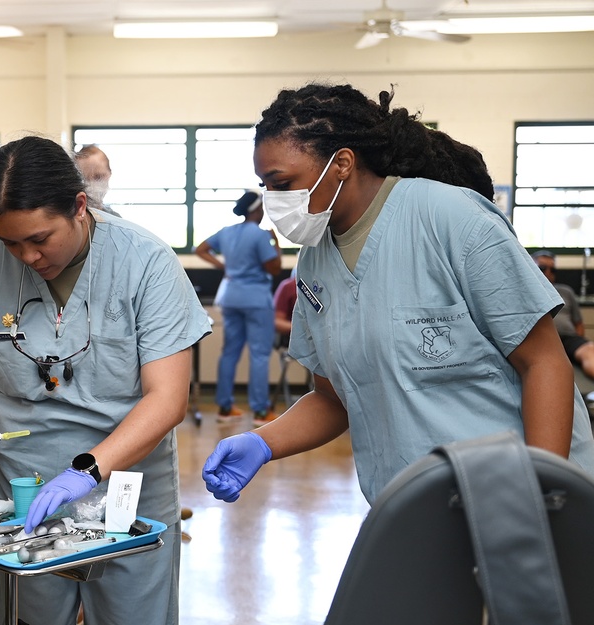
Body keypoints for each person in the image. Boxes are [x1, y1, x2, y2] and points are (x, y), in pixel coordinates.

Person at [202, 82, 594, 509]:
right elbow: (334, 399)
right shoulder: (314, 261)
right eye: (266, 187)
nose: (274, 202)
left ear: (343, 164)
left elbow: (544, 363)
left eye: (283, 184)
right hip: (416, 505)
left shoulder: (450, 218)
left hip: (515, 491)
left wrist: (540, 487)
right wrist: (262, 442)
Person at [0, 135, 211, 625]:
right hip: (25, 497)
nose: (26, 257)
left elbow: (167, 399)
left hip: (126, 493)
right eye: (10, 242)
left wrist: (87, 469)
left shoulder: (145, 261)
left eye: (39, 239)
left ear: (79, 207)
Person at [195, 191, 281, 426]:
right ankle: (261, 412)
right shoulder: (260, 235)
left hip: (230, 297)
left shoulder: (227, 232)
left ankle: (224, 407)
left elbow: (200, 249)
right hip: (255, 299)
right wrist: (276, 243)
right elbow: (274, 268)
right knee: (259, 354)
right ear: (256, 209)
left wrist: (223, 265)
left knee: (230, 352)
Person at [532, 249, 594, 381]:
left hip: (568, 338)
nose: (548, 273)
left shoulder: (566, 291)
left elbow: (578, 323)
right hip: (539, 339)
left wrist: (578, 344)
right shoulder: (526, 291)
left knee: (590, 351)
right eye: (542, 268)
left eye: (552, 270)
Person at [74, 143, 117, 214]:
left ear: (109, 174)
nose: (91, 185)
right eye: (84, 179)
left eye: (98, 177)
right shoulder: (68, 217)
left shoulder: (116, 220)